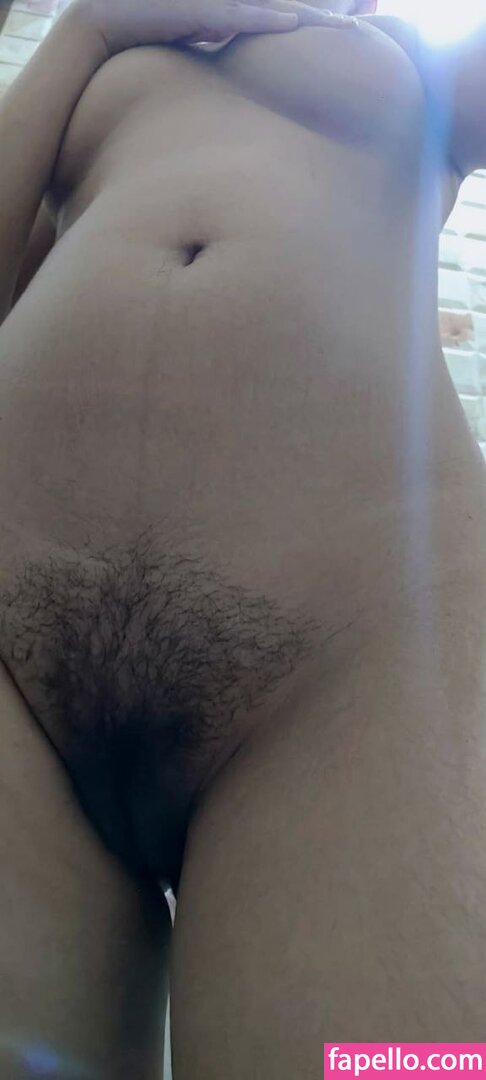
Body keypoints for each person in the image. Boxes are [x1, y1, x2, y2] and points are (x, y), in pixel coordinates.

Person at [1, 0, 486, 1073]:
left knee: (400, 1062)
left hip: (359, 646)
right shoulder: (105, 48)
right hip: (12, 634)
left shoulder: (407, 52)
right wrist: (87, 31)